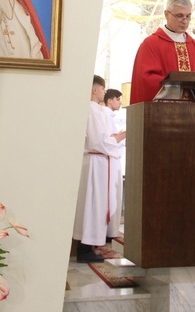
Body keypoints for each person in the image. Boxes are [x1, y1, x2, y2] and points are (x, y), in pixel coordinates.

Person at [72, 76, 127, 263]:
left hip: (100, 162)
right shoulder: (91, 109)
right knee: (93, 205)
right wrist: (117, 140)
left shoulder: (97, 110)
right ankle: (85, 247)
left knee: (97, 205)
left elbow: (104, 137)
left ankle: (90, 245)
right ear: (95, 90)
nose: (105, 92)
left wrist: (114, 139)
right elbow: (98, 140)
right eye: (103, 89)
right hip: (96, 163)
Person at [129, 0, 195, 104]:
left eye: (188, 16)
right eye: (179, 16)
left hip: (194, 116)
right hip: (163, 113)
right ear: (166, 14)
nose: (185, 21)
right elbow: (146, 80)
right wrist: (177, 89)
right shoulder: (151, 44)